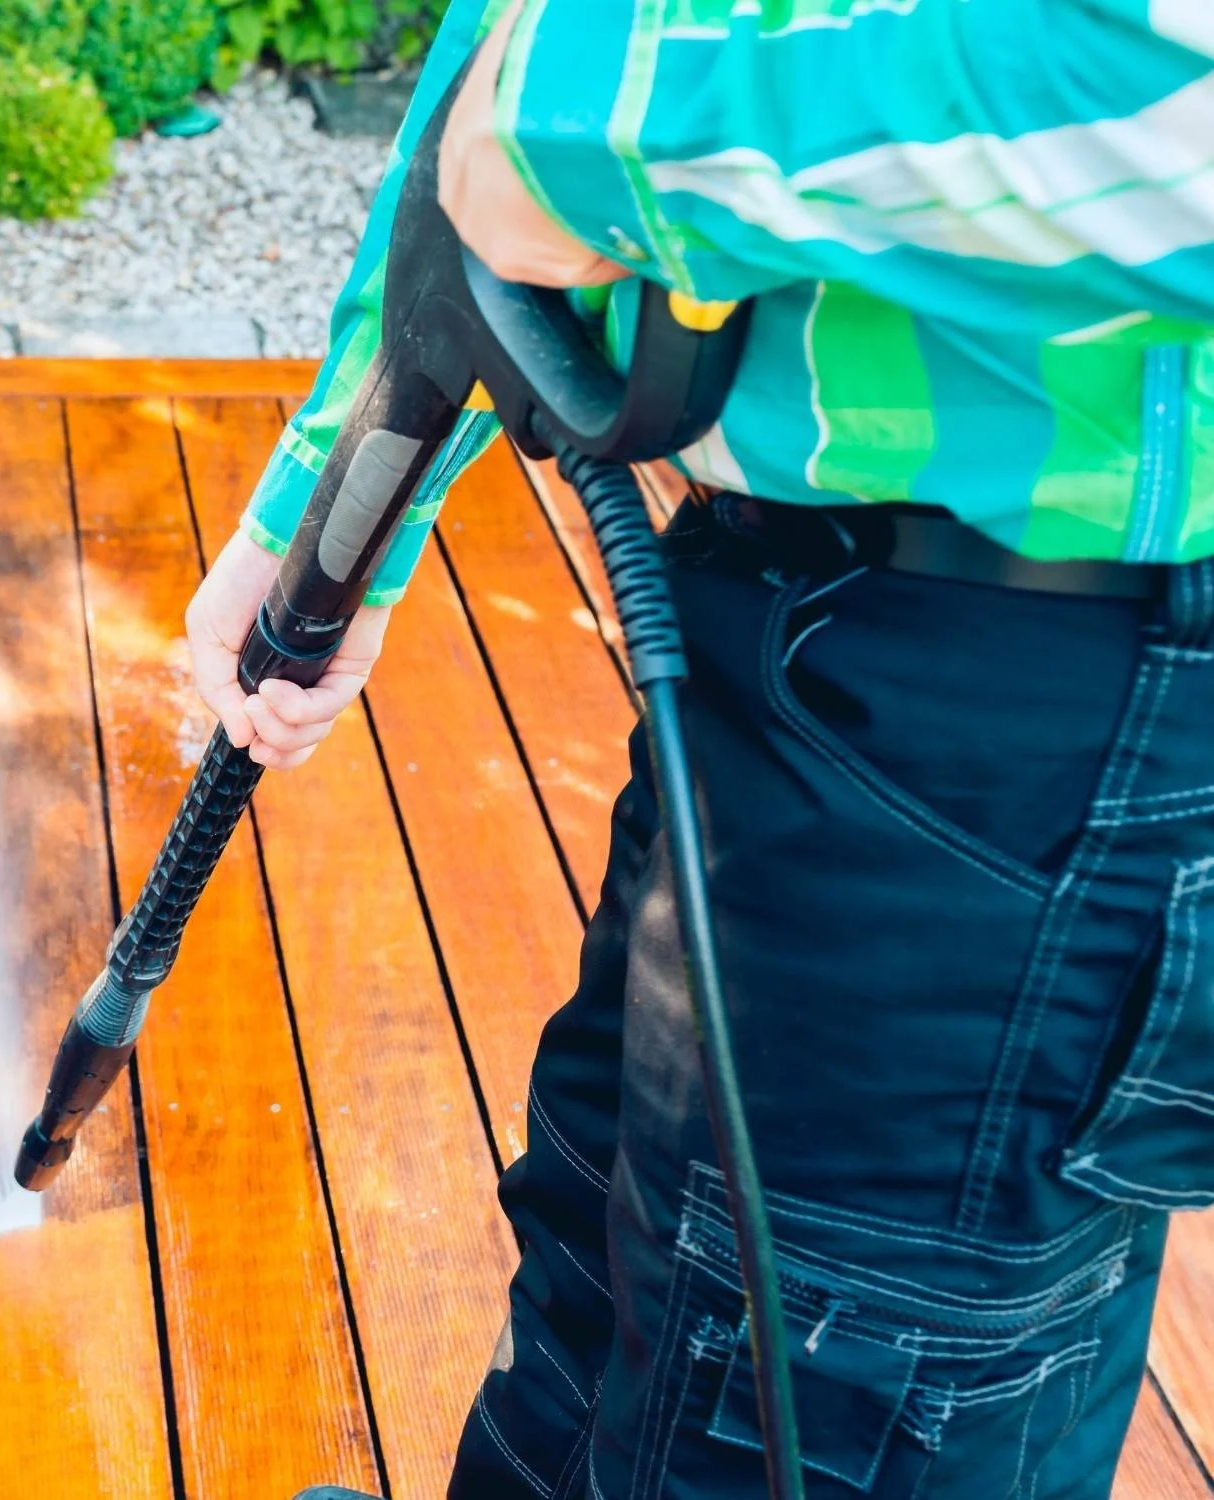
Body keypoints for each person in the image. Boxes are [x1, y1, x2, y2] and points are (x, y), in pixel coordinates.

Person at [198, 2, 1214, 1496]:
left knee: (813, 1365)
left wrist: (588, 136)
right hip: (790, 609)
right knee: (622, 1253)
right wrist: (335, 503)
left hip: (1044, 711)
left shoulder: (595, 125)